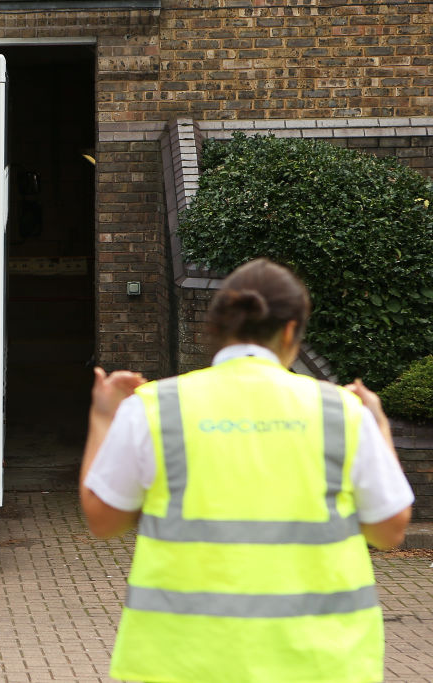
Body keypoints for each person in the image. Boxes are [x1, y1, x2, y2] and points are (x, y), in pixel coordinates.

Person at [79, 258, 414, 683]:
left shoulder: (156, 407)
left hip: (180, 665)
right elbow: (389, 531)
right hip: (320, 665)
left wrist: (103, 418)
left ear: (216, 328)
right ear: (291, 329)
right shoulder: (341, 412)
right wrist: (379, 426)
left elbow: (103, 519)